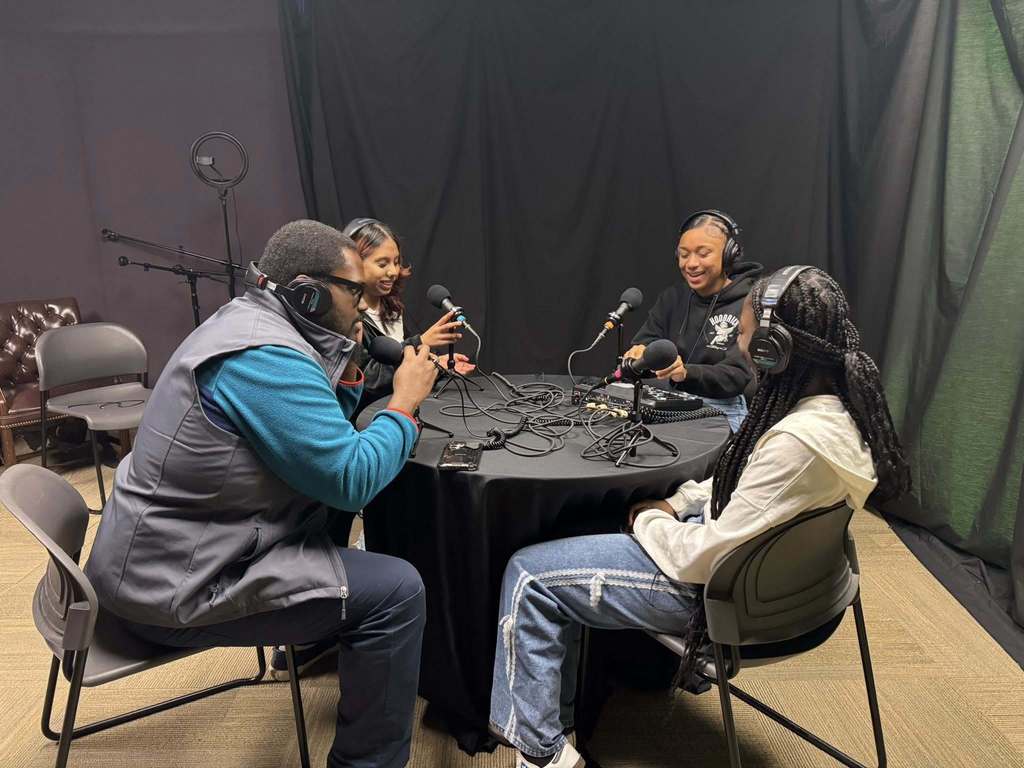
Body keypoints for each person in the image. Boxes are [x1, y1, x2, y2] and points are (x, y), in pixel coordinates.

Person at [488, 266, 911, 768]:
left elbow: (704, 559)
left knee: (530, 576)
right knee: (599, 537)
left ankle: (542, 754)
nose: (742, 351)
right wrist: (678, 502)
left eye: (747, 339)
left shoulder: (796, 443)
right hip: (811, 594)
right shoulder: (841, 415)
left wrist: (649, 523)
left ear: (775, 349)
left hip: (726, 602)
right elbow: (752, 482)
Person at [84, 220, 438, 768]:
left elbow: (314, 445)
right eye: (354, 290)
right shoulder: (263, 358)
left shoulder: (251, 322)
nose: (363, 303)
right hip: (172, 588)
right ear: (308, 291)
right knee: (396, 591)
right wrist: (405, 406)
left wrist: (345, 369)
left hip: (172, 551)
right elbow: (350, 481)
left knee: (337, 532)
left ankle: (319, 640)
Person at [625, 210, 763, 431]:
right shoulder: (673, 298)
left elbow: (737, 376)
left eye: (703, 253)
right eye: (684, 254)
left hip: (722, 408)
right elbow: (646, 342)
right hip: (668, 401)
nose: (691, 263)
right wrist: (639, 353)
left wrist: (686, 373)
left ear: (729, 255)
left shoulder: (749, 304)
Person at [343, 217, 475, 413]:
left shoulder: (392, 307)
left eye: (396, 262)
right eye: (382, 264)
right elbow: (366, 382)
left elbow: (403, 365)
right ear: (355, 263)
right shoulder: (347, 318)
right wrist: (420, 342)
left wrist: (437, 364)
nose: (393, 271)